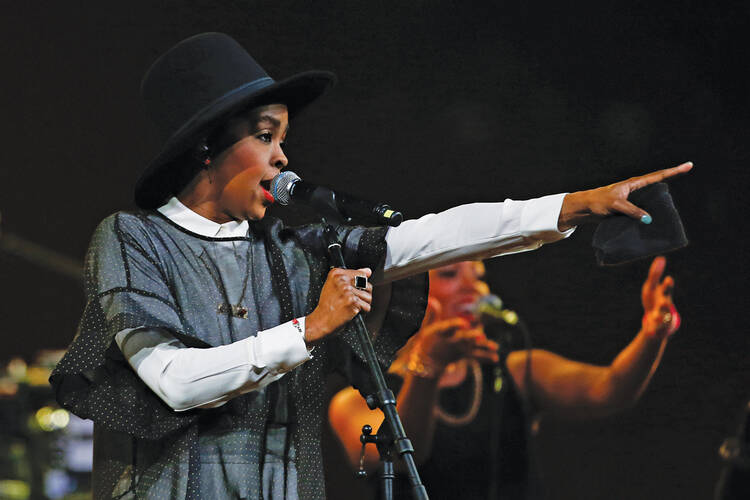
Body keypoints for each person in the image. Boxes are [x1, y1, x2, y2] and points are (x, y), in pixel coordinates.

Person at [48, 32, 690, 500]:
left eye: (283, 140)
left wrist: (576, 205)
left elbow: (434, 236)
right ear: (206, 146)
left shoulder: (288, 251)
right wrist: (310, 328)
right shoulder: (133, 240)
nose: (281, 158)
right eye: (265, 136)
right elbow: (175, 381)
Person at [328, 257, 680, 499]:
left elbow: (609, 389)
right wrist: (428, 367)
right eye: (451, 275)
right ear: (409, 296)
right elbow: (403, 455)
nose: (472, 286)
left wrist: (651, 336)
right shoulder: (356, 400)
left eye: (478, 276)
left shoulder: (517, 370)